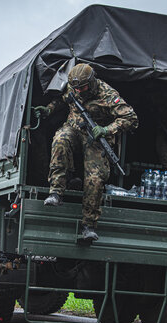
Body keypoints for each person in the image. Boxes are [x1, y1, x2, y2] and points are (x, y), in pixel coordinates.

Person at [35, 63, 138, 244]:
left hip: (96, 137)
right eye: (77, 88)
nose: (80, 91)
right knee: (60, 140)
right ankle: (56, 191)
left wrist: (106, 129)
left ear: (91, 83)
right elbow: (63, 99)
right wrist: (49, 109)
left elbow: (131, 118)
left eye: (83, 87)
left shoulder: (107, 94)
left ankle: (88, 225)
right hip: (74, 127)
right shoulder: (72, 86)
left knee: (96, 178)